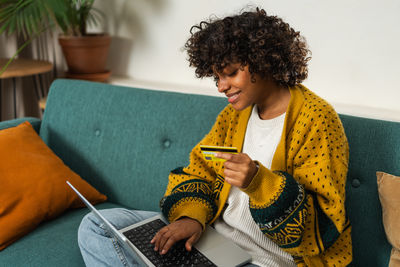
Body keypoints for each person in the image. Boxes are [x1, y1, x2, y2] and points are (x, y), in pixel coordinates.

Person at [78, 7, 352, 267]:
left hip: (265, 260)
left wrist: (259, 183)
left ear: (263, 61)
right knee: (97, 224)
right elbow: (199, 171)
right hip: (212, 240)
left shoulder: (316, 119)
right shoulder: (233, 117)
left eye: (231, 73)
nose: (222, 86)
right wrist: (191, 218)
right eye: (216, 77)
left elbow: (323, 227)